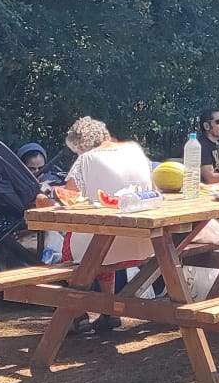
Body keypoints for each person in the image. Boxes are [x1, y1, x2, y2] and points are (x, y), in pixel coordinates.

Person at [62, 116, 158, 335]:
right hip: (143, 242)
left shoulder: (86, 159)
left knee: (74, 245)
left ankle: (77, 314)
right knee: (101, 241)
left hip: (104, 242)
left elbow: (69, 197)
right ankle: (109, 312)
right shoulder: (135, 150)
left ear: (81, 145)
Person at [195, 107, 219, 185]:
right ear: (206, 126)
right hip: (207, 193)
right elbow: (210, 179)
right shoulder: (201, 146)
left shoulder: (217, 143)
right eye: (218, 122)